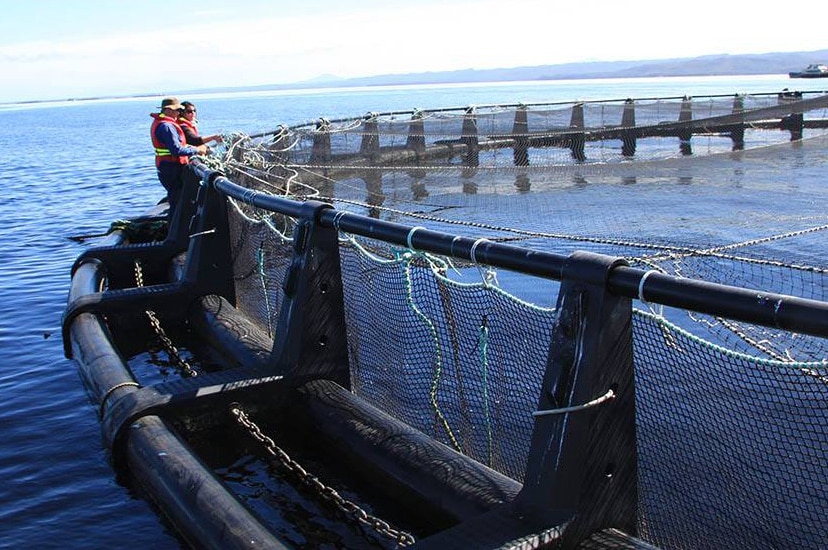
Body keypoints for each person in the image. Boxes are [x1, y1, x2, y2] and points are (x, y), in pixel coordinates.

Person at [149, 97, 207, 214]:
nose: (179, 113)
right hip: (172, 168)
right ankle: (175, 227)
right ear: (168, 110)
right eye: (177, 110)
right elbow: (176, 150)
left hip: (165, 166)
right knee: (177, 201)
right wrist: (196, 150)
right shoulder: (167, 127)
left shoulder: (161, 123)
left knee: (176, 198)